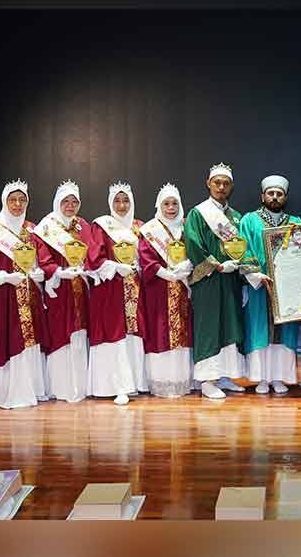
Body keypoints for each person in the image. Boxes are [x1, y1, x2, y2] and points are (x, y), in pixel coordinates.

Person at [0, 180, 48, 409]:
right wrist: (2, 277)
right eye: (13, 200)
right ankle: (8, 393)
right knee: (7, 338)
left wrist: (39, 272)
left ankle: (31, 389)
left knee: (30, 339)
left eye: (22, 200)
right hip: (3, 295)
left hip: (29, 295)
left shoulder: (32, 231)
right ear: (5, 202)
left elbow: (43, 260)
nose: (17, 204)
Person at [183, 163, 248, 399]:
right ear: (208, 183)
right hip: (208, 281)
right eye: (217, 182)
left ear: (231, 186)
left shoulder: (236, 217)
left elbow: (243, 248)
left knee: (230, 325)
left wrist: (241, 265)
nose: (221, 187)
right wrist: (218, 265)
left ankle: (225, 375)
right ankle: (207, 380)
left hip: (230, 281)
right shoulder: (198, 214)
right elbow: (193, 244)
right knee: (209, 328)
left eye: (226, 183)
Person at [239, 174, 301, 394]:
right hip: (259, 285)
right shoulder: (249, 220)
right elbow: (243, 249)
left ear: (285, 197)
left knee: (285, 331)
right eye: (270, 193)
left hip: (287, 288)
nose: (274, 197)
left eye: (279, 194)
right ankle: (261, 378)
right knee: (259, 329)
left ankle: (280, 377)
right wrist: (256, 274)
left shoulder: (295, 223)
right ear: (262, 196)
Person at [87, 182, 147, 404]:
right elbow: (94, 259)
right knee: (114, 334)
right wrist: (114, 267)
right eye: (117, 201)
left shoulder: (139, 227)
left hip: (135, 287)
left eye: (126, 201)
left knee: (133, 333)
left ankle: (135, 383)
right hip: (110, 288)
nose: (122, 206)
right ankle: (116, 385)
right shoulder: (101, 226)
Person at [33, 180, 92, 403]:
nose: (70, 205)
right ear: (57, 203)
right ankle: (60, 387)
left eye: (74, 201)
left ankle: (81, 387)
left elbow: (93, 254)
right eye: (65, 201)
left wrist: (89, 269)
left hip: (80, 290)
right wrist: (57, 271)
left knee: (79, 335)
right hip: (58, 290)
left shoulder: (83, 226)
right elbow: (42, 258)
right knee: (60, 335)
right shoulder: (47, 227)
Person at [139, 183, 194, 398]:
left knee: (182, 332)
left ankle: (182, 381)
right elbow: (145, 258)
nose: (170, 208)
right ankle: (162, 383)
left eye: (174, 204)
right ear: (159, 206)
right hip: (158, 290)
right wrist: (166, 273)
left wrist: (187, 265)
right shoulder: (149, 230)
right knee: (160, 332)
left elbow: (196, 250)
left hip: (183, 288)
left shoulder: (187, 227)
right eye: (166, 204)